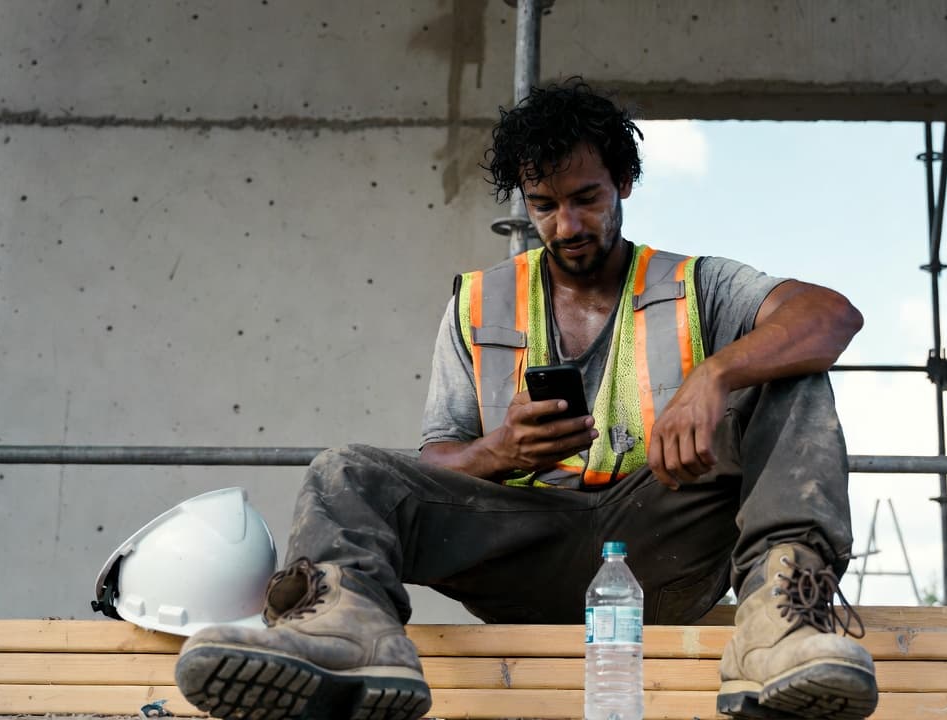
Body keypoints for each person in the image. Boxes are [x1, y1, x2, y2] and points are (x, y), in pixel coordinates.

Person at [174, 79, 877, 720]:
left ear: (624, 182)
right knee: (345, 471)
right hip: (526, 550)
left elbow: (831, 316)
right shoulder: (479, 304)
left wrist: (714, 375)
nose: (567, 224)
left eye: (586, 199)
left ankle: (782, 622)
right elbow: (436, 462)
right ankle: (347, 631)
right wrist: (497, 452)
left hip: (659, 551)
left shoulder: (701, 285)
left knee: (790, 370)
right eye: (544, 205)